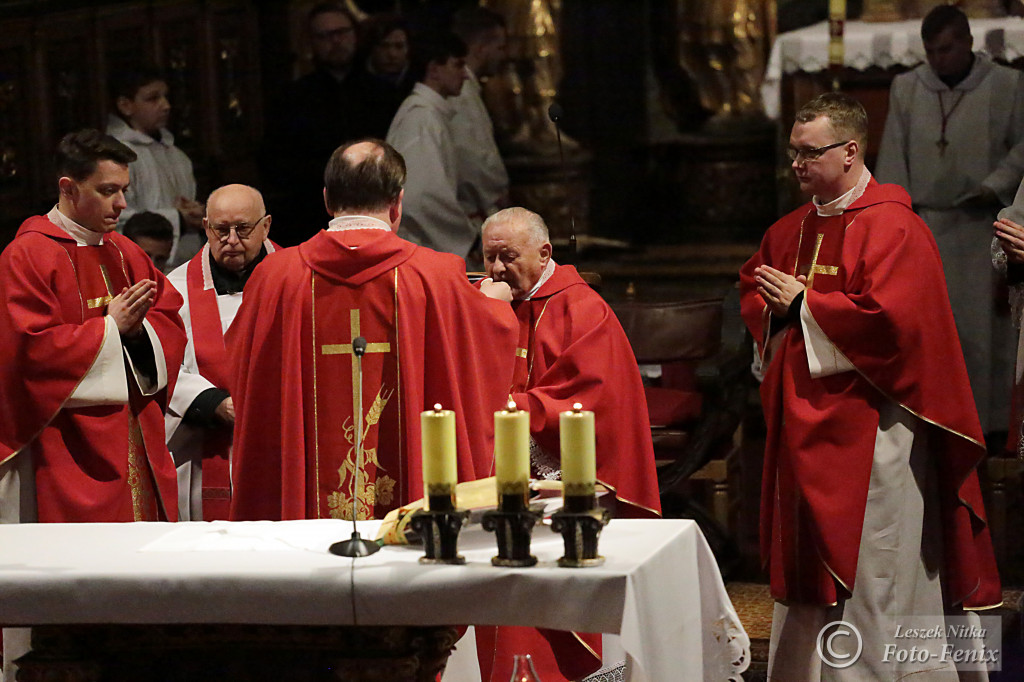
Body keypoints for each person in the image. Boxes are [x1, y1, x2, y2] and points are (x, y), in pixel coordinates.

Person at [741, 92, 1000, 679]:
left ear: (852, 150)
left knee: (878, 566)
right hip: (802, 432)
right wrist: (777, 311)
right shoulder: (788, 231)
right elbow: (753, 294)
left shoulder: (894, 227)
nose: (797, 165)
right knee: (809, 569)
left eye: (810, 153)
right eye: (792, 153)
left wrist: (807, 304)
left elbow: (896, 325)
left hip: (880, 431)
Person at [226, 139, 518, 522]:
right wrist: (496, 305)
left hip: (299, 508)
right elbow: (484, 348)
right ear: (397, 203)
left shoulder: (275, 277)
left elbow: (240, 366)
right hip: (415, 503)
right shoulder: (436, 276)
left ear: (328, 200)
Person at [477, 206, 660, 682]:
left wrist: (512, 409)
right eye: (488, 256)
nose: (496, 269)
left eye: (508, 256)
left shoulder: (582, 308)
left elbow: (593, 401)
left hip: (565, 488)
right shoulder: (489, 303)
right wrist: (484, 314)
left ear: (545, 253)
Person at [876, 4, 1024, 436]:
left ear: (968, 43)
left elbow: (1022, 146)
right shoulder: (906, 87)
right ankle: (935, 424)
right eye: (931, 51)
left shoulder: (1008, 85)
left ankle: (987, 427)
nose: (938, 60)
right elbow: (892, 156)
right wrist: (896, 217)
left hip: (984, 227)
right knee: (930, 334)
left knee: (982, 334)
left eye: (946, 49)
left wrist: (993, 185)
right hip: (925, 228)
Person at [165, 184, 275, 521]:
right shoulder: (176, 288)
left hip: (279, 441)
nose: (231, 239)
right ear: (205, 228)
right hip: (205, 448)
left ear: (266, 226)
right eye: (220, 229)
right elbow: (162, 366)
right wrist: (214, 403)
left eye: (243, 229)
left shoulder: (297, 280)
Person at [261, 3, 374, 246]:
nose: (335, 42)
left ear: (355, 35)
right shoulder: (292, 99)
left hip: (373, 211)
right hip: (309, 218)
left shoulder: (382, 94)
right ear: (311, 43)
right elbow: (275, 164)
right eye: (325, 36)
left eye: (341, 33)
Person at [386, 32, 478, 264]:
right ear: (434, 69)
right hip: (419, 246)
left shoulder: (428, 114)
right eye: (458, 65)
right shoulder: (421, 117)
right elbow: (420, 196)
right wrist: (469, 237)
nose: (466, 75)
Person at [106, 66, 204, 269]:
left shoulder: (177, 155)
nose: (166, 105)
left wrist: (195, 212)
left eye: (166, 97)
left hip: (185, 264)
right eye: (152, 99)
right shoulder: (114, 156)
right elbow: (114, 219)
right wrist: (178, 219)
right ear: (125, 105)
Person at [449, 7, 510, 226]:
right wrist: (496, 194)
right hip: (473, 213)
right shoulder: (460, 94)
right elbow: (471, 158)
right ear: (481, 48)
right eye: (500, 47)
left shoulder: (470, 90)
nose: (504, 55)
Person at [355, 13, 415, 138]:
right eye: (384, 46)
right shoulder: (356, 83)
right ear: (373, 48)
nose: (392, 54)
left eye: (399, 46)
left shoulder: (418, 80)